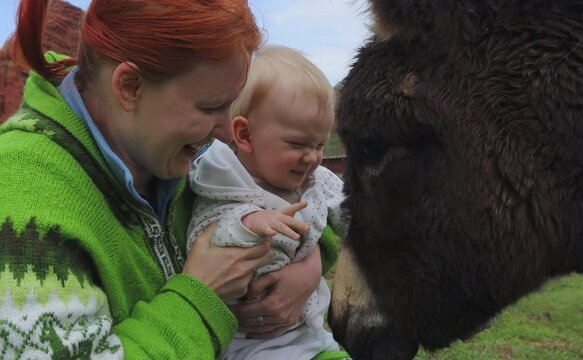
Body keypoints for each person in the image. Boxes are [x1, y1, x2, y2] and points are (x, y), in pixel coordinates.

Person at [0, 1, 341, 358]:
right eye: (209, 108)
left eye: (230, 105)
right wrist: (199, 297)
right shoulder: (22, 200)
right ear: (129, 86)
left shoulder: (177, 155)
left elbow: (288, 198)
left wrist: (308, 264)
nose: (227, 131)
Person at [187, 45, 348, 360]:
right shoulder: (222, 184)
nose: (313, 157)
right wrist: (249, 224)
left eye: (320, 143)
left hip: (312, 334)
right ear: (245, 135)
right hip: (253, 346)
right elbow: (205, 234)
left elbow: (350, 211)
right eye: (298, 143)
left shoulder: (315, 179)